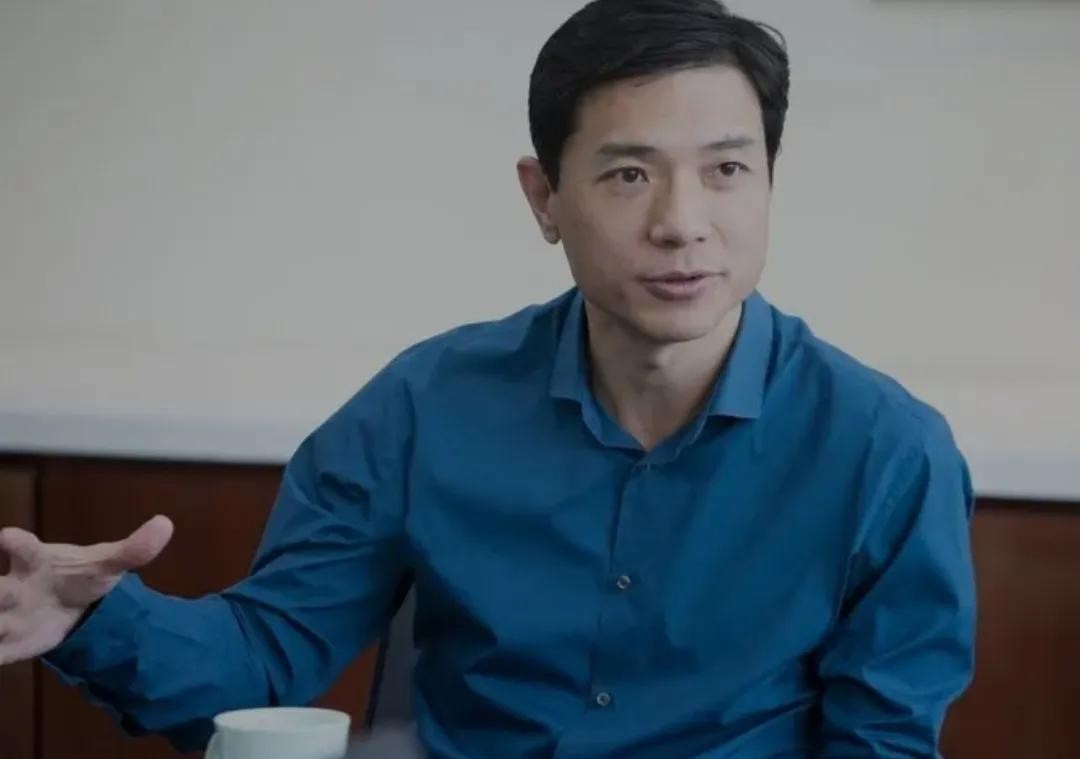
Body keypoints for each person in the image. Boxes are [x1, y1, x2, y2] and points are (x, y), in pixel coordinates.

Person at [0, 1, 976, 756]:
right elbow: (259, 661)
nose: (683, 223)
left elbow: (882, 743)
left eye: (726, 170)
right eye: (629, 174)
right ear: (543, 197)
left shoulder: (888, 452)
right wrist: (89, 618)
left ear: (768, 180)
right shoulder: (425, 407)